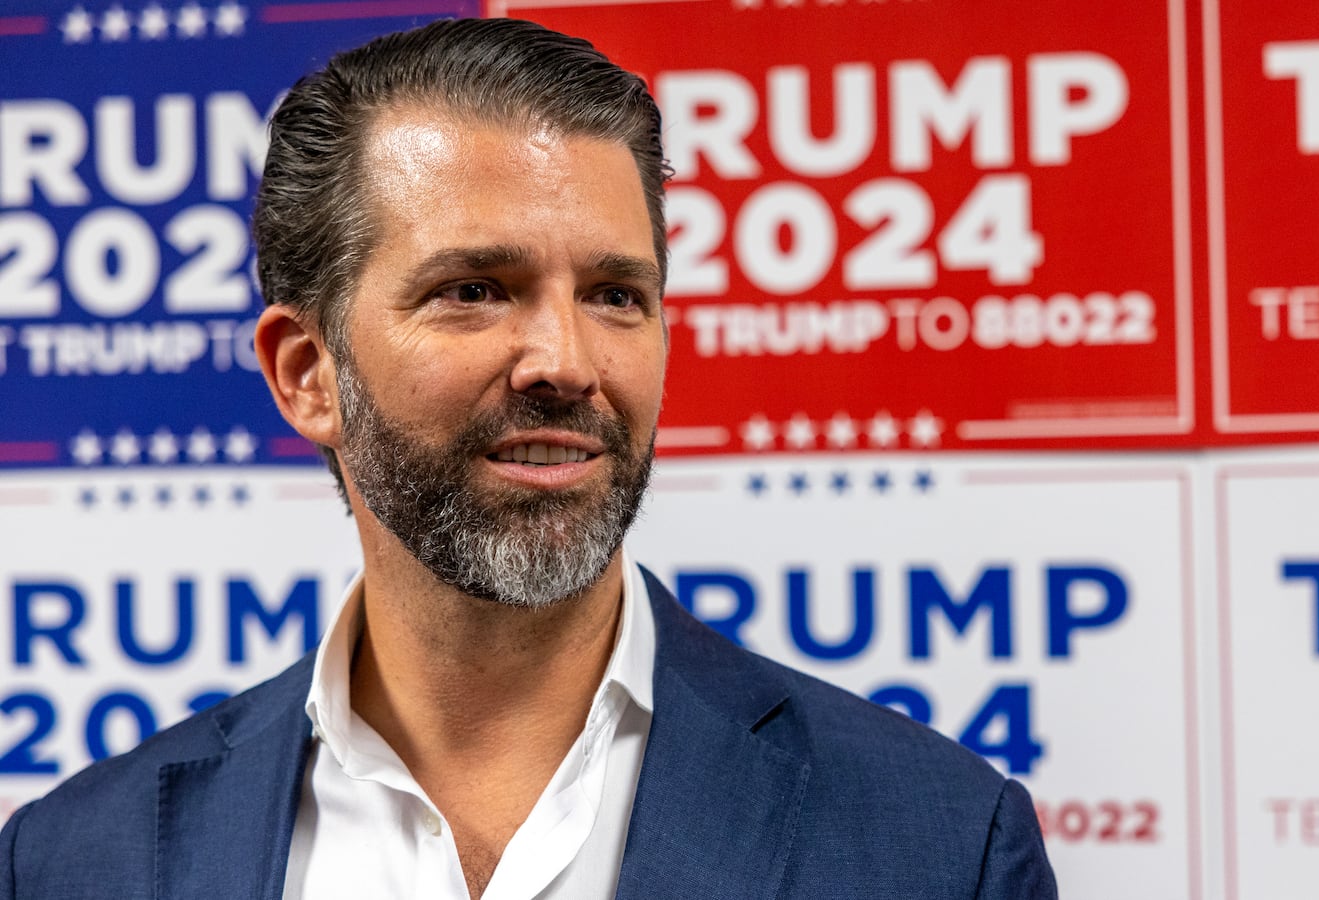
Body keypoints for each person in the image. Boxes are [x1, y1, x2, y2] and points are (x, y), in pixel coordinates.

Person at [0, 18, 1056, 900]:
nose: (565, 362)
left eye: (614, 295)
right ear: (307, 371)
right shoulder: (77, 862)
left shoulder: (940, 846)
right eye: (473, 290)